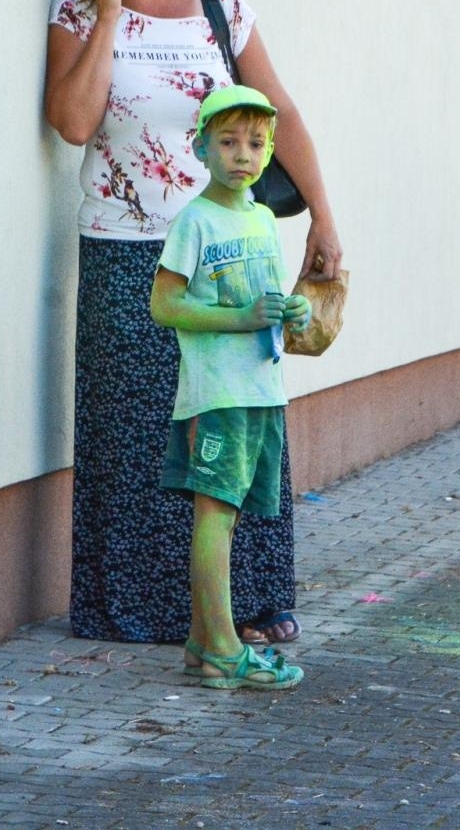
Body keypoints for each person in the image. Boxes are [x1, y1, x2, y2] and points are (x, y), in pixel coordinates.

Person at [42, 0, 343, 647]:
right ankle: (146, 607)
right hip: (125, 250)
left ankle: (253, 596)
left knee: (235, 422)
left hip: (230, 248)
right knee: (138, 434)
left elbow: (278, 111)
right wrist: (109, 14)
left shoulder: (221, 6)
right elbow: (73, 124)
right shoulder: (78, 12)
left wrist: (324, 220)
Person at [150, 85, 310, 688]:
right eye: (228, 141)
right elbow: (165, 304)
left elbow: (260, 299)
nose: (243, 153)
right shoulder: (195, 221)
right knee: (213, 516)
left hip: (262, 391)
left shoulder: (264, 219)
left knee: (231, 514)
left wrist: (287, 309)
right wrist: (241, 319)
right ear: (201, 147)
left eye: (256, 143)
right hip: (216, 394)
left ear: (268, 154)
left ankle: (201, 641)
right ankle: (222, 648)